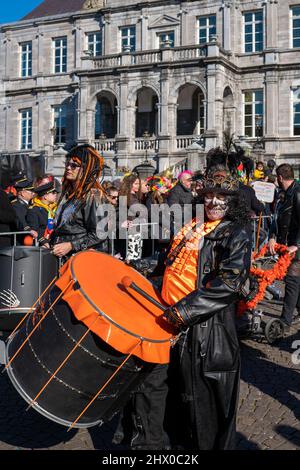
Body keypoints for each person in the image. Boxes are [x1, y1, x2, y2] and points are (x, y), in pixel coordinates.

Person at [162, 172, 252, 450]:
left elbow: (229, 283)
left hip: (207, 332)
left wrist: (184, 311)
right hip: (174, 325)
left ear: (232, 202)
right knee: (179, 401)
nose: (213, 202)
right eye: (209, 196)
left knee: (205, 409)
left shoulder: (236, 233)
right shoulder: (195, 225)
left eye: (221, 197)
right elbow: (173, 263)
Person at [49, 144, 108, 259]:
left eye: (74, 165)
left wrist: (71, 245)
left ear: (86, 169)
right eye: (67, 164)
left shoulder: (94, 195)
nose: (68, 168)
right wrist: (49, 241)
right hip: (64, 259)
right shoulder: (70, 195)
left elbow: (100, 233)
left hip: (82, 261)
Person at [269, 164, 300, 329]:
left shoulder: (298, 191)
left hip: (296, 245)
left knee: (292, 281)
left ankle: (284, 321)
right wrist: (272, 237)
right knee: (294, 280)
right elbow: (276, 217)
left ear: (280, 177)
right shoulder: (282, 193)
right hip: (286, 243)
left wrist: (297, 245)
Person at [27, 178, 58, 245]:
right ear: (45, 196)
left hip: (54, 241)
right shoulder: (34, 210)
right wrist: (44, 242)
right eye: (53, 193)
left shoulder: (54, 208)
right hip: (41, 245)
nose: (56, 194)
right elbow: (34, 231)